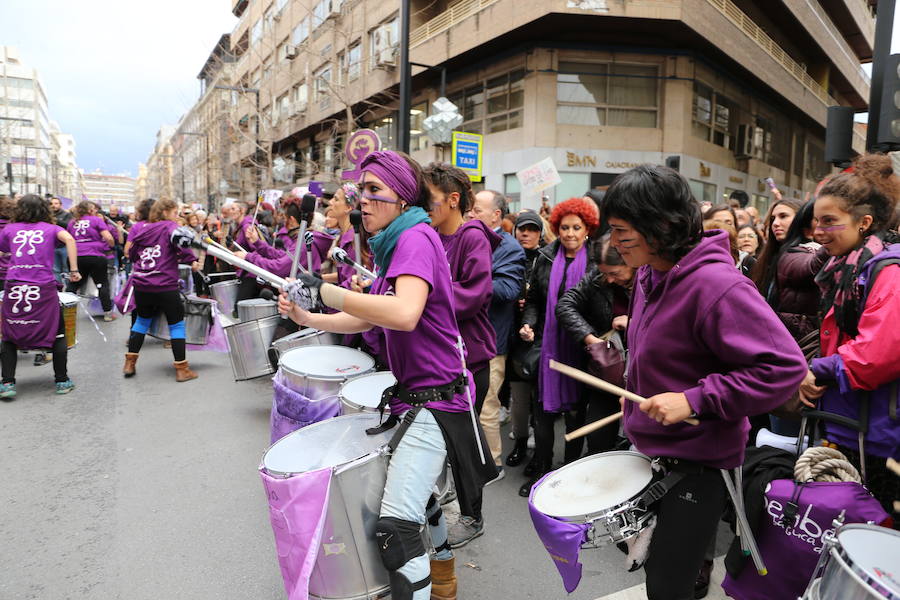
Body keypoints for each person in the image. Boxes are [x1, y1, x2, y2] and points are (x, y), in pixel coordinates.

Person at [277, 150, 496, 600]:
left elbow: (404, 312)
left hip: (435, 401)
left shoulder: (414, 237)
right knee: (421, 500)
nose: (364, 203)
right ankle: (444, 581)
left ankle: (433, 586)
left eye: (375, 191)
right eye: (362, 193)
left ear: (402, 198)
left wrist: (327, 290)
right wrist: (307, 316)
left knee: (396, 526)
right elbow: (366, 319)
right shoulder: (396, 242)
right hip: (419, 396)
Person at [604, 164, 807, 600]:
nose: (614, 241)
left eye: (623, 231)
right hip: (652, 455)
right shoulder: (648, 273)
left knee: (669, 587)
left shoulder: (718, 285)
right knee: (653, 577)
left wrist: (695, 400)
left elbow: (784, 367)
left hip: (697, 467)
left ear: (661, 225)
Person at [799, 154, 900, 524]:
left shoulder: (888, 270)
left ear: (864, 223)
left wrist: (818, 371)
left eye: (830, 222)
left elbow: (878, 355)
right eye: (815, 223)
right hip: (851, 420)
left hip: (880, 433)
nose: (819, 231)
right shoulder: (845, 270)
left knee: (878, 535)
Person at [518, 197, 599, 497]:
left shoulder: (596, 260)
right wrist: (529, 323)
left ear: (587, 229)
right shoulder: (545, 256)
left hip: (580, 348)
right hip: (548, 346)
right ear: (557, 228)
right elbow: (536, 301)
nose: (570, 234)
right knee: (542, 415)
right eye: (564, 227)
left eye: (576, 227)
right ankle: (541, 470)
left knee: (576, 416)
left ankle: (569, 474)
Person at [751, 198, 827, 434]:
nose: (776, 223)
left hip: (806, 364)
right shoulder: (786, 257)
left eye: (783, 216)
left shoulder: (810, 253)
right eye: (773, 218)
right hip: (783, 364)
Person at [467, 189, 526, 483]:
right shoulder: (463, 239)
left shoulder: (510, 248)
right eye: (471, 209)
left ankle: (493, 464)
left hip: (491, 341)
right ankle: (469, 458)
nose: (471, 214)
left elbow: (508, 291)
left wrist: (474, 275)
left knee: (487, 406)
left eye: (478, 210)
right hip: (461, 338)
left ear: (496, 216)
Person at [555, 237, 633, 457]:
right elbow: (565, 305)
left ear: (631, 261)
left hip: (643, 370)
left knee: (639, 445)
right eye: (604, 273)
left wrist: (633, 323)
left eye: (615, 273)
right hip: (610, 368)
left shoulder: (651, 278)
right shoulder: (599, 277)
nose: (608, 279)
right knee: (598, 438)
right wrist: (592, 340)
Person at [0, 194, 80, 398]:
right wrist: (73, 269)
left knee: (9, 333)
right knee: (57, 332)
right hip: (43, 286)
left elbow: (4, 249)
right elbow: (69, 238)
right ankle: (61, 381)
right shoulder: (51, 228)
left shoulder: (9, 229)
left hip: (15, 284)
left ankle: (7, 383)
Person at [123, 198, 201, 382]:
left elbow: (132, 254)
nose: (177, 216)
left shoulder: (142, 229)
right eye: (175, 212)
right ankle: (182, 369)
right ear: (165, 212)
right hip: (164, 283)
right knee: (176, 324)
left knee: (141, 322)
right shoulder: (169, 227)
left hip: (142, 283)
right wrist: (191, 260)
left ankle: (130, 363)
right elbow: (182, 242)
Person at [506, 210, 543, 468]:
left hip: (541, 339)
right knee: (518, 397)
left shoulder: (549, 258)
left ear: (540, 233)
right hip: (513, 337)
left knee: (541, 398)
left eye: (532, 229)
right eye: (522, 229)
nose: (526, 233)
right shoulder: (508, 256)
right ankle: (520, 443)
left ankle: (540, 448)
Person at [66, 200, 116, 321]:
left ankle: (65, 310)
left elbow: (68, 238)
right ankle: (108, 313)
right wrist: (111, 246)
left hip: (76, 256)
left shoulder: (72, 222)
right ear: (90, 210)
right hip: (95, 255)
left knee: (73, 284)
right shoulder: (96, 220)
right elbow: (108, 237)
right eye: (94, 209)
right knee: (102, 283)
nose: (96, 211)